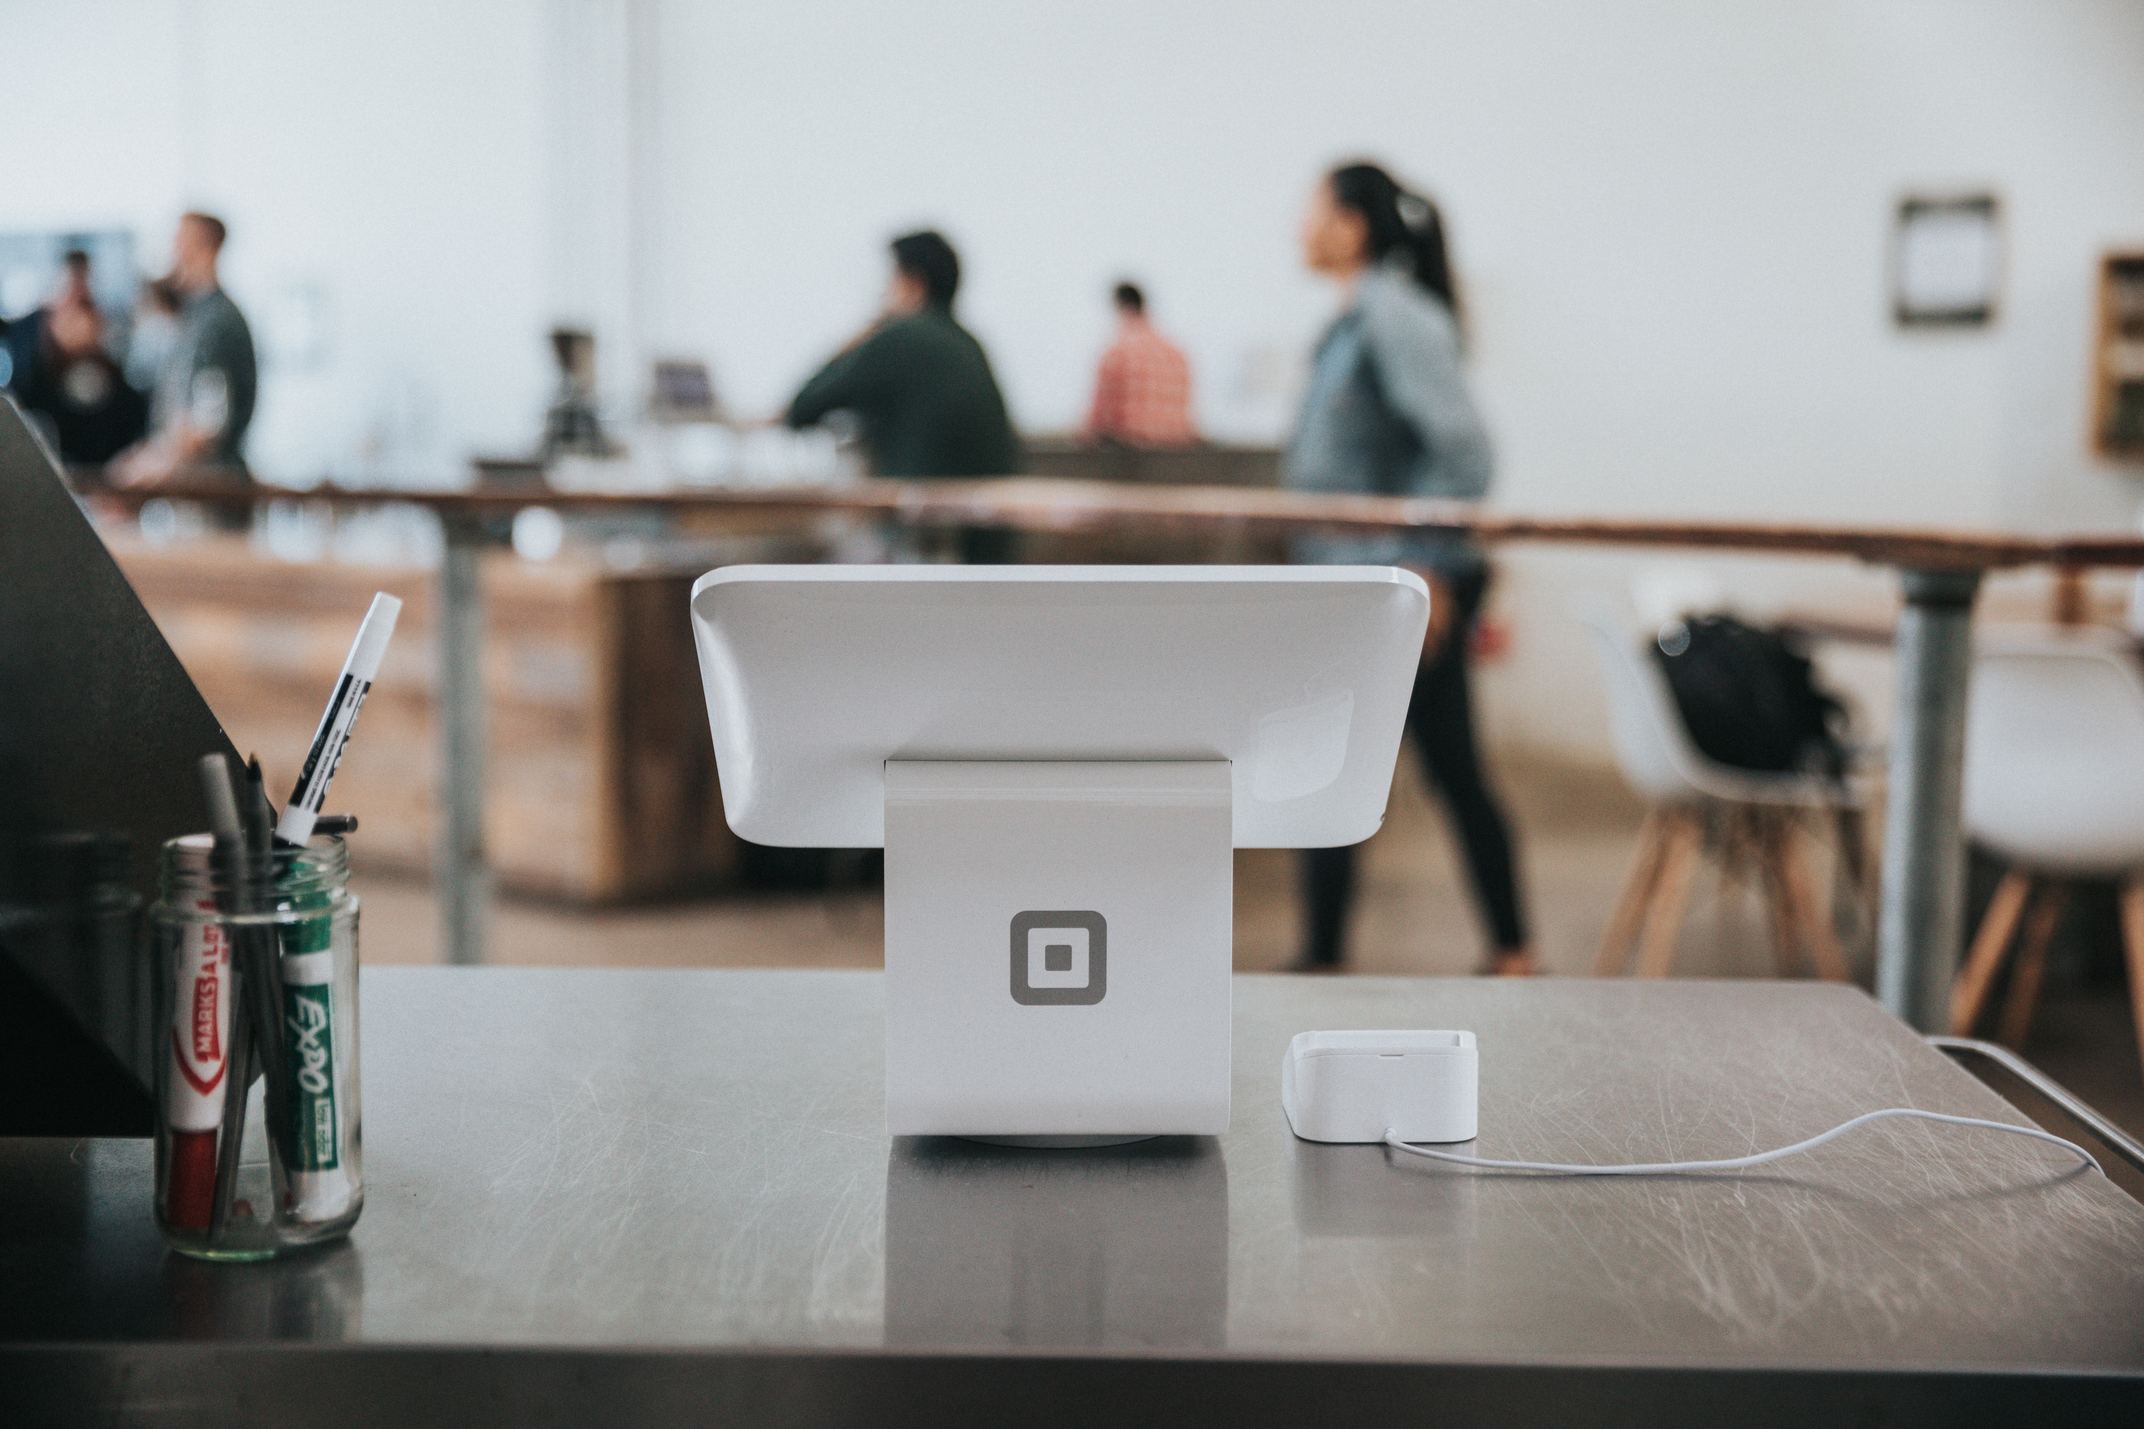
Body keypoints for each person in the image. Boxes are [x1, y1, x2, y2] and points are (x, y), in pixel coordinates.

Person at [1286, 160, 1535, 977]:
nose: (1299, 226)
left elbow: (1465, 451)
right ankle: (1327, 958)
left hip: (1393, 591)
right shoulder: (1353, 320)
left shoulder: (1395, 316)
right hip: (1355, 585)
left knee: (1437, 768)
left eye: (1313, 208)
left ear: (1353, 224)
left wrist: (1424, 567)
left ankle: (1510, 949)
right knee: (1338, 771)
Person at [786, 229, 1019, 480]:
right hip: (981, 498)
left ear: (913, 285)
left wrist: (859, 338)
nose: (883, 293)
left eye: (891, 279)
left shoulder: (898, 339)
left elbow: (802, 408)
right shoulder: (968, 343)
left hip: (927, 501)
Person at [112, 211, 257, 486]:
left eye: (180, 242)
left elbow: (206, 424)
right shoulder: (194, 317)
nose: (173, 252)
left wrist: (150, 465)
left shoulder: (218, 322)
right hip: (188, 485)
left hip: (209, 489)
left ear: (206, 248)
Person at [1084, 281, 1196, 447]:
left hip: (1132, 450)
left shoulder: (1119, 351)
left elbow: (1100, 418)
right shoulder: (1176, 352)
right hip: (1176, 447)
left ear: (1121, 306)